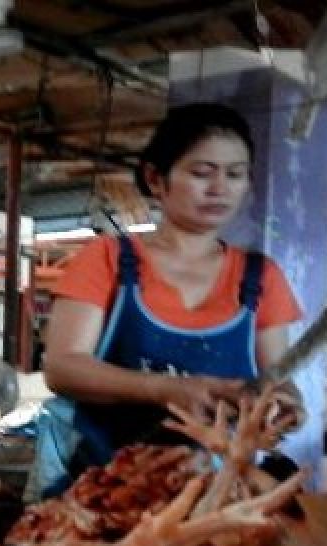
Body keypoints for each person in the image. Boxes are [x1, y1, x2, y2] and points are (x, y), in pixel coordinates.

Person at [30, 102, 304, 500]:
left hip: (212, 493)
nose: (220, 188)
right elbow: (62, 368)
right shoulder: (106, 259)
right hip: (96, 484)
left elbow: (278, 379)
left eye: (235, 174)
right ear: (156, 179)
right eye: (201, 173)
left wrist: (285, 405)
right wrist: (165, 388)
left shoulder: (262, 278)